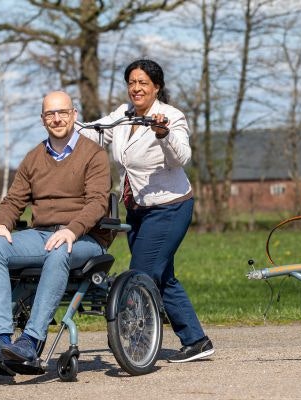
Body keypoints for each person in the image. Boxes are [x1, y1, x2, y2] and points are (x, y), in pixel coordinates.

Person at [0, 91, 112, 369]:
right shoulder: (33, 158)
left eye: (63, 112)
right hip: (42, 234)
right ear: (43, 119)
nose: (57, 118)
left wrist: (72, 230)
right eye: (50, 114)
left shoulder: (94, 154)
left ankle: (30, 341)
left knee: (59, 249)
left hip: (85, 237)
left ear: (74, 115)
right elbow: (13, 200)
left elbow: (97, 203)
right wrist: (0, 225)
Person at [81, 59, 214, 363]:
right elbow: (97, 132)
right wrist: (68, 123)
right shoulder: (123, 115)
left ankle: (136, 342)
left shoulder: (170, 116)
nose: (136, 88)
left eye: (143, 83)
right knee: (162, 276)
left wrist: (162, 134)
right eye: (132, 82)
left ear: (157, 87)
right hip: (137, 210)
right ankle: (197, 341)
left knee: (140, 275)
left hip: (169, 208)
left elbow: (182, 156)